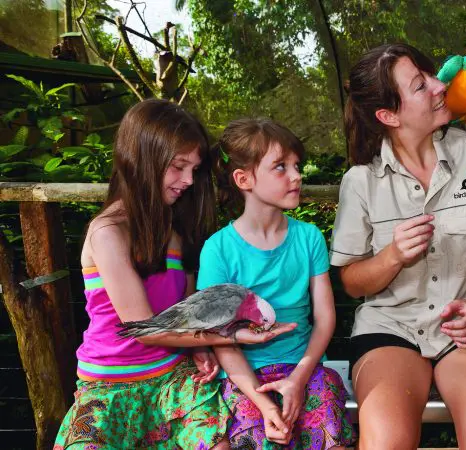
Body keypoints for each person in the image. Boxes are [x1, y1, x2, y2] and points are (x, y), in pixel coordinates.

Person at [330, 43, 466, 450]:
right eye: (420, 85)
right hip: (389, 327)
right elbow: (352, 283)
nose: (439, 85)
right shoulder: (360, 181)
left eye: (430, 74)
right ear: (388, 115)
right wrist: (393, 256)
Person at [54, 99, 291, 450]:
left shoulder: (175, 234)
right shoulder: (107, 233)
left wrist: (202, 347)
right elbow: (145, 330)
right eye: (179, 166)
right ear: (141, 159)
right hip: (109, 384)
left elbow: (184, 314)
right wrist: (231, 337)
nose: (188, 180)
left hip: (175, 377)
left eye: (194, 169)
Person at [197, 118, 355, 450]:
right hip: (244, 378)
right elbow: (220, 337)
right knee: (255, 436)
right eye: (280, 167)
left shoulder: (308, 238)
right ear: (244, 179)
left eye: (296, 165)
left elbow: (325, 319)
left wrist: (298, 379)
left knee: (330, 434)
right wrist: (264, 402)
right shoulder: (218, 250)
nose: (296, 175)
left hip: (305, 367)